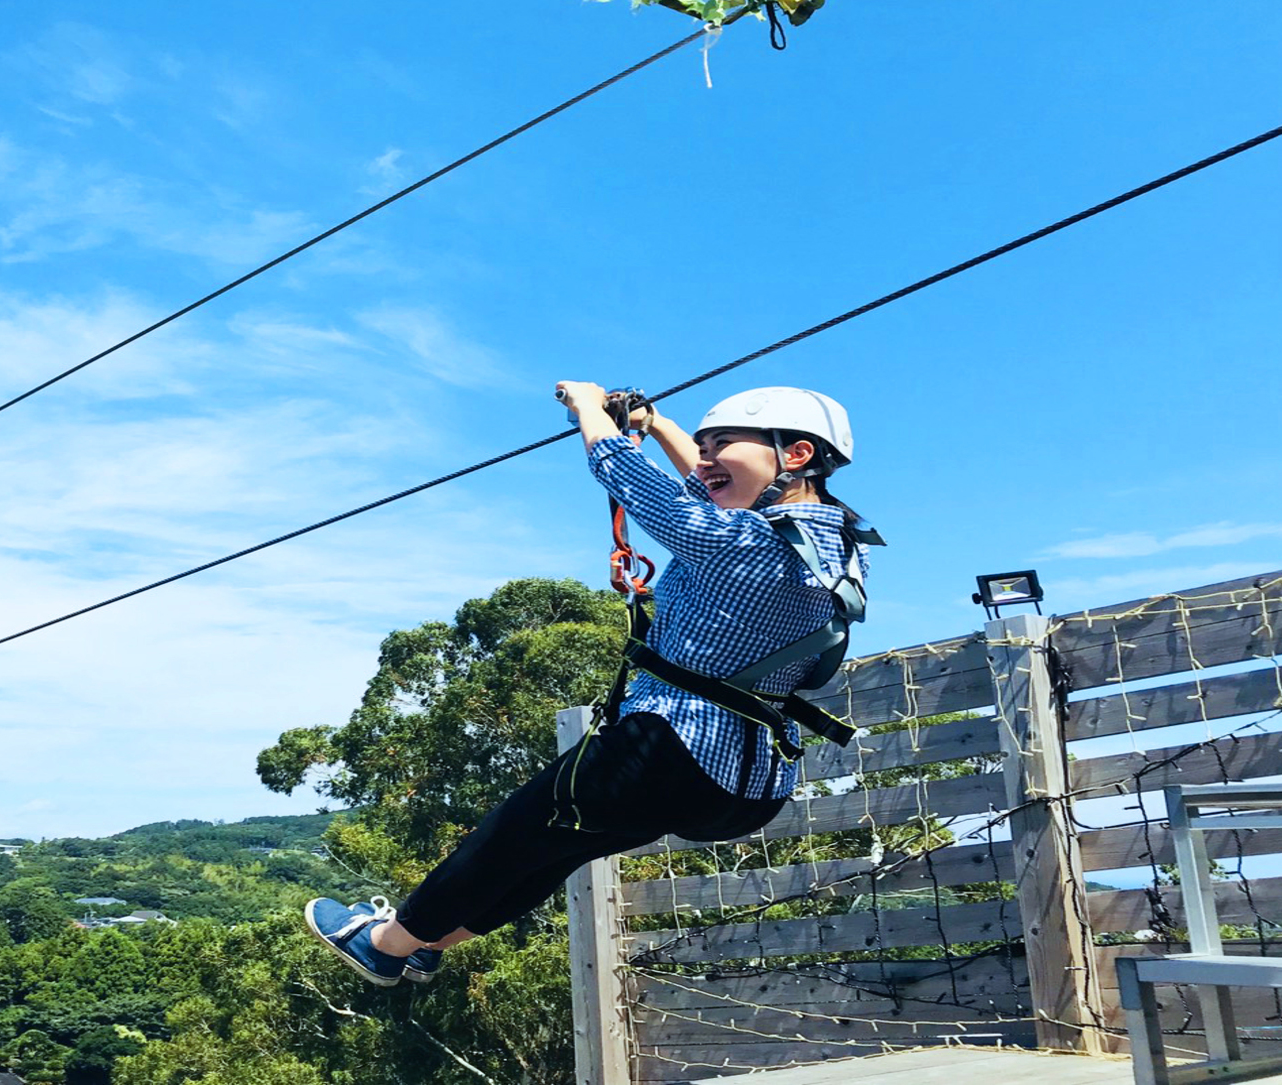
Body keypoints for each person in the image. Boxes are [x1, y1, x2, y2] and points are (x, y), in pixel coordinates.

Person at [303, 382, 879, 987]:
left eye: (723, 444)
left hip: (668, 748)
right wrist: (657, 425)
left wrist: (587, 409)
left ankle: (383, 943)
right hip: (750, 783)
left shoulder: (736, 540)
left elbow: (641, 485)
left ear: (795, 456)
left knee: (513, 834)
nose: (705, 458)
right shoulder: (834, 543)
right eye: (703, 445)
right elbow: (710, 490)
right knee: (557, 850)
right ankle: (428, 943)